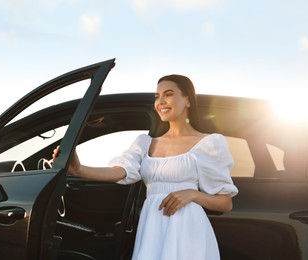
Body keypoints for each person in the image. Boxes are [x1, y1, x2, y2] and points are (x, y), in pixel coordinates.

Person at [52, 74, 238, 260]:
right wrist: (79, 169)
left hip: (188, 231)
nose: (161, 101)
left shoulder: (208, 144)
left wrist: (193, 194)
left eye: (169, 94)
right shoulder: (145, 143)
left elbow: (225, 202)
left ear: (188, 100)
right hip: (152, 228)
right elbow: (119, 172)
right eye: (157, 97)